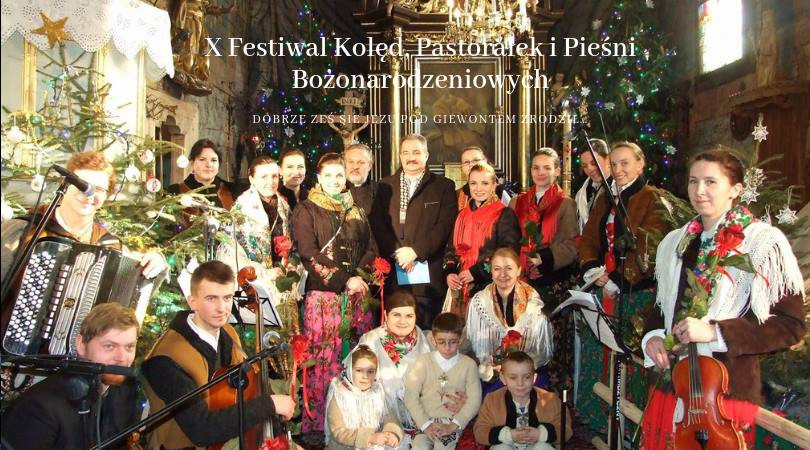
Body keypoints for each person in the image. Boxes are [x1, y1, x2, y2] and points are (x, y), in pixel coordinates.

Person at [639, 147, 806, 448]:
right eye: (693, 181)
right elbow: (661, 306)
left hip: (724, 396)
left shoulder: (763, 243)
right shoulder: (676, 242)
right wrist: (653, 337)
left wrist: (717, 333)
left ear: (735, 189)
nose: (699, 191)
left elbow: (790, 325)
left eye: (711, 182)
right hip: (674, 388)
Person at [1, 152, 165, 330]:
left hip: (79, 346)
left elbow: (135, 290)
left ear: (106, 196)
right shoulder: (23, 230)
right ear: (65, 186)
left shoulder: (109, 244)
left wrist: (156, 263)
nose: (89, 193)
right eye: (82, 185)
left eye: (99, 189)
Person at [141, 260, 295, 449]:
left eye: (227, 298)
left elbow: (245, 389)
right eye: (211, 298)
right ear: (192, 301)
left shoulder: (228, 332)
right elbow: (201, 429)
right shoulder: (165, 359)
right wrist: (269, 405)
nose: (222, 308)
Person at [576, 141, 672, 437]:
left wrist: (617, 279)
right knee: (598, 349)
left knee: (627, 358)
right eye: (614, 164)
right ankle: (597, 419)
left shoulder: (652, 198)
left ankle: (628, 427)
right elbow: (590, 237)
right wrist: (592, 268)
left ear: (640, 164)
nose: (618, 169)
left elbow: (649, 246)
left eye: (625, 163)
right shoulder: (606, 196)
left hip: (634, 292)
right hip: (602, 284)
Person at [292, 153, 378, 433]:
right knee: (324, 361)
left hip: (356, 296)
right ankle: (320, 427)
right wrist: (344, 280)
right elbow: (308, 253)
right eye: (328, 175)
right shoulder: (306, 209)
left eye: (339, 175)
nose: (334, 180)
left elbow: (371, 248)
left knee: (355, 358)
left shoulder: (356, 210)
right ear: (318, 178)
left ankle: (355, 424)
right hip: (324, 298)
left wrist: (358, 276)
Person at [1, 303, 141, 450]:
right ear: (81, 345)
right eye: (109, 346)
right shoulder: (40, 407)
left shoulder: (121, 394)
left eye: (129, 347)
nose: (122, 358)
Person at [371, 134, 458, 330]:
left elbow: (444, 226)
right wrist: (398, 253)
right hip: (394, 274)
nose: (411, 157)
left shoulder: (443, 186)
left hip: (428, 278)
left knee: (426, 335)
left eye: (417, 152)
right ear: (400, 156)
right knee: (394, 335)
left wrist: (415, 251)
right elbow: (377, 224)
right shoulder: (384, 185)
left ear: (426, 155)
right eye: (406, 152)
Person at [509, 148, 578, 391]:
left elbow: (571, 245)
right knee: (521, 340)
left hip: (552, 284)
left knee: (551, 343)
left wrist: (544, 258)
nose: (541, 172)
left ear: (557, 171)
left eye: (547, 167)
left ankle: (552, 396)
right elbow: (510, 238)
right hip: (522, 282)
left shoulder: (565, 203)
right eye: (536, 167)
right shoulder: (517, 202)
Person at [217, 155, 299, 332]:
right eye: (263, 176)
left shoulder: (284, 206)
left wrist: (291, 265)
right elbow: (229, 251)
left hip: (282, 286)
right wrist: (263, 273)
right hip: (254, 287)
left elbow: (294, 243)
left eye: (274, 176)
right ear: (251, 178)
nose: (270, 182)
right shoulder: (241, 208)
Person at [444, 163, 520, 317]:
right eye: (473, 183)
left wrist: (475, 272)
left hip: (491, 287)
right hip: (460, 287)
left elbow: (508, 254)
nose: (478, 189)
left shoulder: (504, 214)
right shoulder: (461, 215)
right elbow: (450, 249)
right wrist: (450, 272)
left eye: (485, 183)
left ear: (493, 185)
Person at [466, 248, 553, 383]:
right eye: (497, 269)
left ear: (518, 270)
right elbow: (472, 342)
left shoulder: (534, 305)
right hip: (490, 375)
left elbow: (541, 351)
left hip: (525, 374)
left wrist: (515, 367)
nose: (503, 274)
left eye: (509, 268)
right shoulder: (479, 303)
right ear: (491, 271)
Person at [358, 291, 433, 446]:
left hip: (421, 416)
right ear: (386, 315)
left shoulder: (427, 341)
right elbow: (356, 379)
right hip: (381, 416)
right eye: (396, 315)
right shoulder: (370, 340)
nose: (403, 321)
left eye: (409, 316)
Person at [404, 312, 482, 449]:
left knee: (443, 446)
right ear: (433, 340)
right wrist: (426, 425)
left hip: (453, 424)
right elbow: (410, 396)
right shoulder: (423, 362)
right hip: (426, 423)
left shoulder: (469, 365)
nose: (447, 347)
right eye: (441, 342)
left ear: (461, 340)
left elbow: (475, 400)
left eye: (453, 342)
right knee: (419, 446)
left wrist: (453, 425)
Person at [473, 351, 572, 450]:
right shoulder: (492, 400)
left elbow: (566, 429)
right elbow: (480, 430)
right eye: (513, 378)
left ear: (534, 378)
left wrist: (541, 434)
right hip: (507, 445)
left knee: (542, 447)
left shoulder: (550, 400)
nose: (520, 383)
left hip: (538, 444)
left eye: (527, 377)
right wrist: (507, 435)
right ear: (503, 378)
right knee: (501, 448)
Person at [325, 345, 403, 450]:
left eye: (370, 371)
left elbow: (390, 417)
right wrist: (368, 438)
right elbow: (338, 431)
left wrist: (391, 433)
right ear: (350, 370)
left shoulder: (378, 393)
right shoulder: (340, 395)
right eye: (359, 370)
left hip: (374, 445)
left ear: (376, 373)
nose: (365, 376)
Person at [167, 139, 236, 210]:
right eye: (202, 159)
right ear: (192, 163)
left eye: (213, 160)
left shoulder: (233, 190)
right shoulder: (176, 191)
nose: (209, 165)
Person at [574, 139, 611, 233]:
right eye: (584, 166)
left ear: (608, 159)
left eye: (594, 163)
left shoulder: (618, 188)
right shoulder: (582, 193)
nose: (589, 169)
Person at [456, 146, 507, 211]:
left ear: (485, 161)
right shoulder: (458, 194)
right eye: (466, 162)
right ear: (462, 167)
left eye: (475, 160)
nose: (471, 164)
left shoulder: (500, 190)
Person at [344, 143, 378, 217]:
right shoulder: (335, 191)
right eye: (351, 162)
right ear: (345, 164)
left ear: (369, 165)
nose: (355, 167)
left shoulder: (380, 192)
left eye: (361, 162)